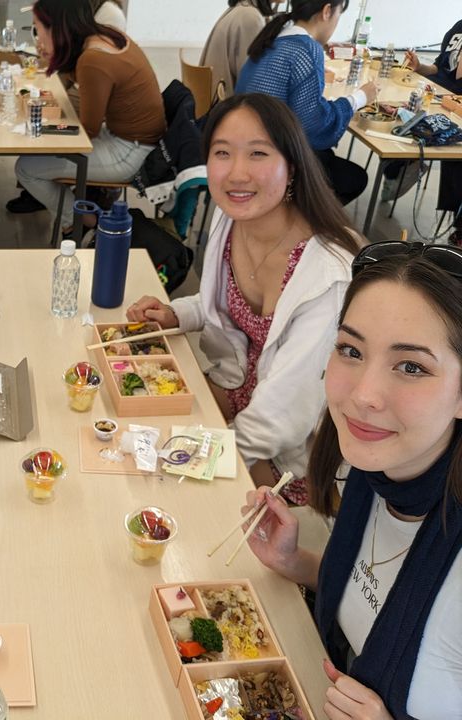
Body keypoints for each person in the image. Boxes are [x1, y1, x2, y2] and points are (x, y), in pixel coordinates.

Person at [244, 241, 462, 719]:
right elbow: (374, 597)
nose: (363, 395)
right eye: (351, 350)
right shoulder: (372, 471)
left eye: (411, 367)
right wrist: (296, 562)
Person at [127, 94, 362, 504]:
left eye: (257, 153)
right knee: (129, 418)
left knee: (166, 496)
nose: (237, 173)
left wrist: (192, 463)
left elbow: (281, 419)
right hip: (236, 388)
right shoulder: (233, 217)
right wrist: (174, 313)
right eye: (222, 153)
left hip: (289, 446)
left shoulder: (328, 275)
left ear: (292, 166)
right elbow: (215, 303)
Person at [11, 0, 165, 238]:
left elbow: (88, 131)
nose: (36, 37)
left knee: (27, 168)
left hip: (130, 151)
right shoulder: (104, 37)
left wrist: (45, 129)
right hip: (131, 139)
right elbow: (72, 84)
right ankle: (80, 218)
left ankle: (83, 223)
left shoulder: (93, 59)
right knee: (40, 153)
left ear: (56, 27)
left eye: (37, 28)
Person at [236, 0, 378, 206]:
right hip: (272, 159)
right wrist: (359, 98)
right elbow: (314, 128)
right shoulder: (306, 48)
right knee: (354, 179)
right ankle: (294, 221)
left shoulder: (275, 35)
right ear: (327, 11)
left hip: (246, 146)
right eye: (339, 15)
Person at [7, 0, 129, 215]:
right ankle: (44, 184)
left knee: (44, 120)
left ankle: (81, 216)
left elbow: (89, 127)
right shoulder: (85, 15)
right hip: (97, 99)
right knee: (41, 110)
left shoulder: (105, 20)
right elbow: (70, 60)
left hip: (117, 135)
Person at [405, 21, 462, 245]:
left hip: (455, 107)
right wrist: (420, 67)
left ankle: (459, 226)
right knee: (409, 124)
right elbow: (441, 67)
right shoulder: (458, 27)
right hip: (442, 99)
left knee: (454, 149)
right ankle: (396, 170)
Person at [200, 0, 277, 99]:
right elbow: (250, 82)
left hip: (215, 101)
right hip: (226, 107)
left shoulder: (240, 9)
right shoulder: (250, 17)